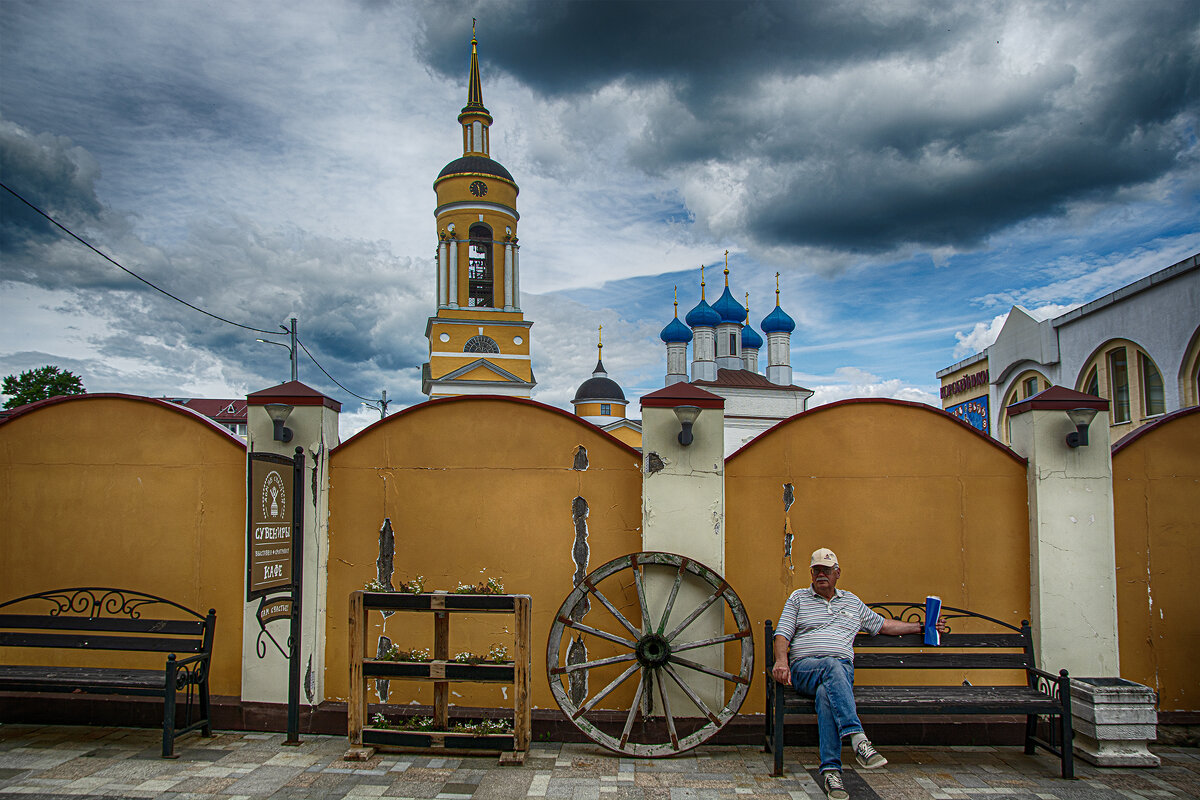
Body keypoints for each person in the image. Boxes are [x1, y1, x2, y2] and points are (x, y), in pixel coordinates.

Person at [772, 548, 946, 800]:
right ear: (811, 574)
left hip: (839, 673)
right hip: (805, 668)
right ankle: (857, 738)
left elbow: (883, 625)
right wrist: (781, 661)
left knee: (826, 694)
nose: (821, 575)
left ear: (837, 573)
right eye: (816, 570)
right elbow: (782, 634)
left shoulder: (852, 602)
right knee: (831, 665)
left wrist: (921, 626)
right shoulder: (798, 598)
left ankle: (831, 774)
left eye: (826, 570)